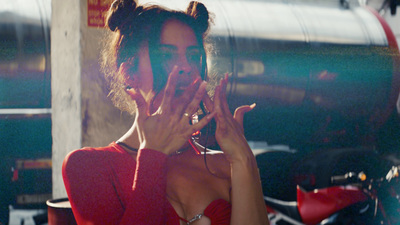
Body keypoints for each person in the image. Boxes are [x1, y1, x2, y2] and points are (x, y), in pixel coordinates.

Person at [62, 0, 269, 224]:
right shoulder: (88, 166)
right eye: (166, 56)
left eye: (193, 56)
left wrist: (243, 159)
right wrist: (152, 155)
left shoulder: (226, 164)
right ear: (129, 73)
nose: (187, 68)